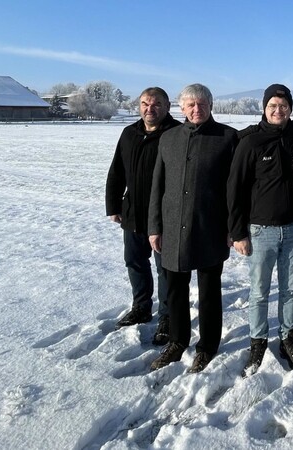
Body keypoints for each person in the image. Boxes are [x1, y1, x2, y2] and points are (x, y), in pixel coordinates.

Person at [147, 83, 238, 373]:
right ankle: (177, 341)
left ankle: (208, 345)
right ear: (181, 108)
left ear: (211, 106)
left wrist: (233, 228)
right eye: (190, 105)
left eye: (201, 104)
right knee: (175, 289)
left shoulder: (228, 137)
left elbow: (235, 190)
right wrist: (154, 227)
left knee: (209, 291)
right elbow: (157, 187)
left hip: (210, 227)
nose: (196, 109)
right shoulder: (169, 138)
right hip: (172, 227)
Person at [227, 84, 293, 377]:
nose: (278, 110)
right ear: (264, 108)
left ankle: (288, 336)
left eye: (283, 106)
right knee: (260, 292)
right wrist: (237, 233)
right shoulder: (250, 142)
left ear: (290, 108)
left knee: (290, 289)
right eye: (273, 105)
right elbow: (234, 190)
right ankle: (258, 341)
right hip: (261, 231)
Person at [105, 87, 180, 345]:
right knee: (135, 262)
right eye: (146, 104)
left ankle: (168, 316)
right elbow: (116, 172)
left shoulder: (177, 134)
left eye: (156, 104)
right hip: (133, 213)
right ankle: (141, 306)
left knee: (166, 269)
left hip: (164, 217)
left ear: (168, 106)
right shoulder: (129, 133)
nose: (150, 109)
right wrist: (113, 206)